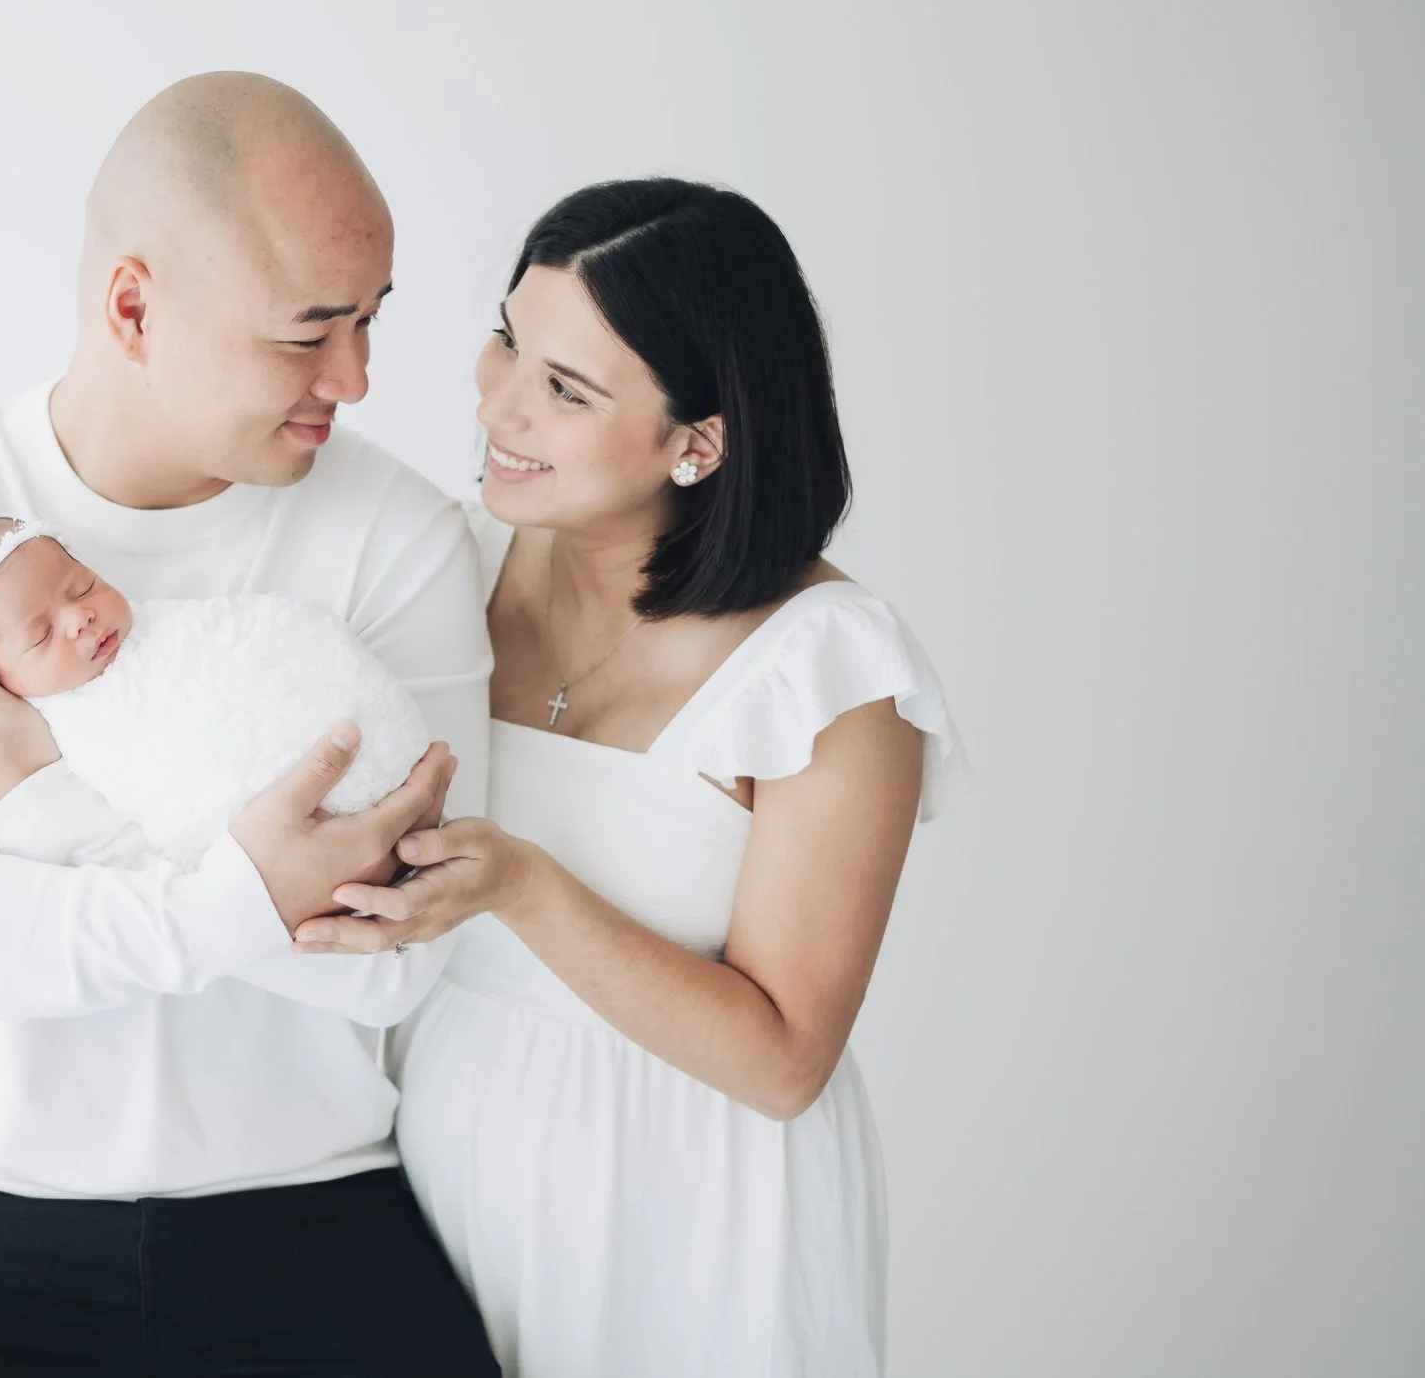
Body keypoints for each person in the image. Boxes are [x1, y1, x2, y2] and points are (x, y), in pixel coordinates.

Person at [0, 73, 501, 1376]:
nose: (358, 377)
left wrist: (48, 806)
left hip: (304, 1210)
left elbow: (399, 964)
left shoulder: (403, 543)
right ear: (134, 305)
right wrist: (239, 900)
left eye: (371, 323)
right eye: (308, 331)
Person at [292, 179, 968, 1375]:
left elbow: (783, 1057)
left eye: (565, 389)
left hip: (692, 1214)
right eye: (508, 336)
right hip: (436, 1185)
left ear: (698, 441)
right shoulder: (446, 560)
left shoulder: (825, 667)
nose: (496, 399)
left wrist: (524, 886)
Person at [0, 515, 433, 870]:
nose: (80, 617)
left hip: (365, 759)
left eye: (83, 586)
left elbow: (264, 644)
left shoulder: (177, 628)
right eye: (41, 634)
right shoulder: (61, 733)